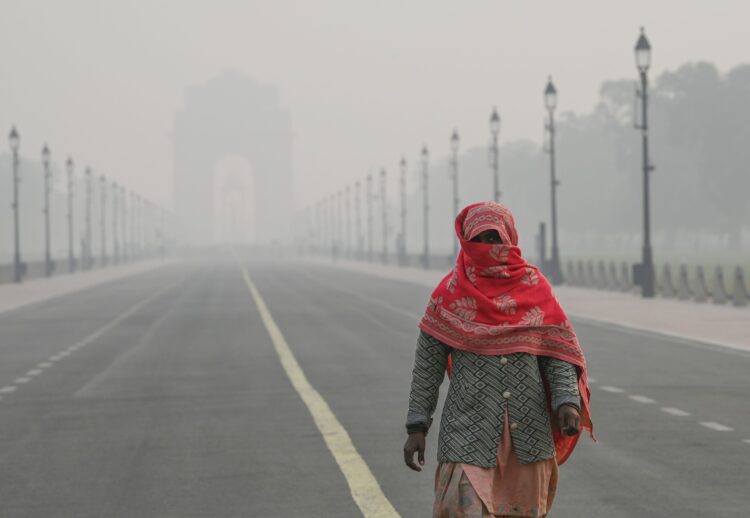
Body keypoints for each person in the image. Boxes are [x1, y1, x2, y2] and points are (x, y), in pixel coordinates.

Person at [403, 202, 594, 518]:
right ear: (467, 242)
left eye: (495, 238)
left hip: (528, 435)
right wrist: (417, 425)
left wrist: (567, 402)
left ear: (510, 239)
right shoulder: (448, 296)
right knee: (458, 509)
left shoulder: (536, 289)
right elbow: (427, 367)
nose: (489, 248)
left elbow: (557, 353)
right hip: (466, 433)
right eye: (481, 240)